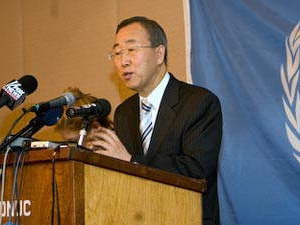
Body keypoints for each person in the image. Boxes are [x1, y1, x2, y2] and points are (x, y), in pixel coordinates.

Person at [86, 16, 222, 225]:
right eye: (117, 53)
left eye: (131, 50)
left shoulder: (199, 103)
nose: (123, 61)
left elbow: (197, 170)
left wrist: (131, 160)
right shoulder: (124, 112)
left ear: (159, 53)